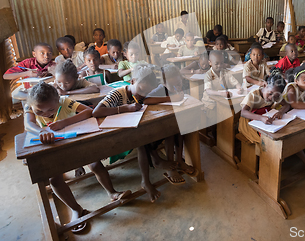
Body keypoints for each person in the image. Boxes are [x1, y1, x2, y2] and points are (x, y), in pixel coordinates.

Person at [25, 82, 130, 233]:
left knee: (95, 164)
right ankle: (76, 209)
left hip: (72, 141)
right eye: (39, 111)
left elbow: (88, 112)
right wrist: (40, 132)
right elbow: (28, 124)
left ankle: (112, 192)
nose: (46, 113)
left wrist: (64, 122)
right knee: (54, 180)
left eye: (51, 109)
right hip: (51, 148)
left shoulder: (64, 101)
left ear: (58, 100)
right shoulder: (29, 106)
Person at [92, 64, 176, 202]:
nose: (142, 94)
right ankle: (147, 179)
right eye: (142, 88)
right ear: (132, 81)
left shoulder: (142, 94)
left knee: (150, 136)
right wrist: (125, 108)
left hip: (134, 131)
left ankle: (147, 176)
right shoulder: (118, 94)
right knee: (141, 143)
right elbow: (96, 112)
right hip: (113, 135)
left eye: (147, 91)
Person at [150, 64, 199, 184]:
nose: (177, 87)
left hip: (174, 121)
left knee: (180, 131)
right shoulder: (160, 89)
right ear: (164, 83)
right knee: (171, 132)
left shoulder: (178, 85)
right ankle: (170, 165)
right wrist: (169, 99)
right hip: (158, 126)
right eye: (173, 85)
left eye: (179, 83)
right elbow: (146, 99)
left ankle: (179, 161)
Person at [239, 70, 290, 144]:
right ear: (265, 86)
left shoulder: (275, 94)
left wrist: (281, 112)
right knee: (265, 140)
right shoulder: (253, 94)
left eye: (276, 97)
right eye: (270, 94)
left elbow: (287, 105)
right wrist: (261, 118)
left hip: (266, 118)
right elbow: (243, 112)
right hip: (250, 120)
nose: (271, 98)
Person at [201, 51, 243, 125]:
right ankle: (215, 134)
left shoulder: (225, 72)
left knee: (229, 114)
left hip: (223, 100)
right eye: (216, 63)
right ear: (210, 63)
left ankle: (225, 131)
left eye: (222, 63)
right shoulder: (208, 75)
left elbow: (236, 83)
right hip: (210, 103)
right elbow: (208, 91)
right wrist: (221, 93)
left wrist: (239, 88)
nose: (219, 65)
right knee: (213, 120)